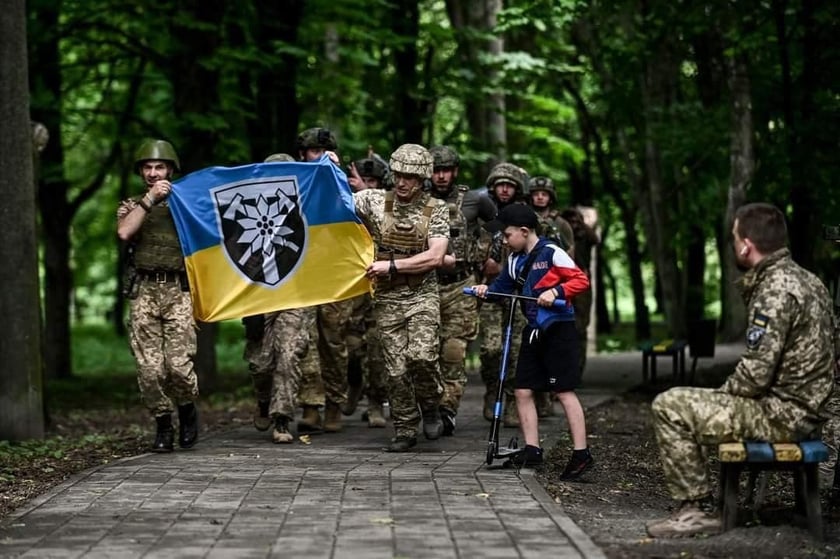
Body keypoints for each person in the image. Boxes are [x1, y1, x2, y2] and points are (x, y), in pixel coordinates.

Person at [646, 202, 836, 538]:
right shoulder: (810, 281)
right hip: (807, 411)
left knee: (671, 405)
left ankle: (696, 512)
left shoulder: (775, 289)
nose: (734, 244)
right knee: (691, 403)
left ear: (746, 245)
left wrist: (717, 400)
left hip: (781, 415)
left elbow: (755, 374)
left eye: (735, 237)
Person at [471, 204, 592, 474]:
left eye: (507, 234)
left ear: (525, 232)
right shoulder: (514, 260)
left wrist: (557, 291)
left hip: (558, 329)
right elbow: (500, 289)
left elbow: (581, 281)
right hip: (533, 330)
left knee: (563, 391)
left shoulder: (551, 253)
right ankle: (532, 450)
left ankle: (581, 454)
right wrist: (484, 291)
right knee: (523, 389)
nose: (502, 239)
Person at [354, 143, 449, 452]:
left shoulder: (437, 209)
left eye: (409, 176)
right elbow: (332, 200)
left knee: (421, 357)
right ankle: (406, 427)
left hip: (421, 293)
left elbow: (435, 257)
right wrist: (325, 167)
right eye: (398, 175)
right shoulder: (374, 201)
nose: (402, 182)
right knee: (395, 370)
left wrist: (392, 265)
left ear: (422, 179)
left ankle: (431, 402)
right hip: (388, 298)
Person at [117, 139, 199, 453]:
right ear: (141, 172)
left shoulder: (187, 204)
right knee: (149, 369)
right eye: (148, 167)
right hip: (144, 291)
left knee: (177, 366)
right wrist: (150, 199)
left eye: (159, 167)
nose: (153, 172)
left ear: (171, 170)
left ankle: (187, 409)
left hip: (178, 290)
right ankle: (163, 423)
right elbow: (125, 232)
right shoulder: (132, 206)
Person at [241, 153, 318, 443]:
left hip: (296, 294)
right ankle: (263, 400)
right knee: (261, 364)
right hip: (259, 295)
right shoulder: (246, 207)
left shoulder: (307, 208)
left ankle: (282, 419)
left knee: (289, 355)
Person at [428, 145, 496, 435]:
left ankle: (447, 408)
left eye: (446, 170)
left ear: (455, 171)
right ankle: (427, 403)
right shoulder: (419, 200)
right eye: (436, 170)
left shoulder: (474, 200)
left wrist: (491, 255)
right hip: (425, 284)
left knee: (454, 349)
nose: (441, 176)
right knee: (424, 352)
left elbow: (500, 226)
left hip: (461, 284)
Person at [293, 127, 353, 433]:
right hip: (302, 274)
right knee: (305, 341)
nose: (318, 157)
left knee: (334, 341)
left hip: (334, 275)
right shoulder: (292, 184)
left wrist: (336, 172)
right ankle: (310, 404)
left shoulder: (340, 183)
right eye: (314, 152)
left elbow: (354, 214)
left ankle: (334, 403)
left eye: (323, 151)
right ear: (303, 155)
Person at [477, 163, 530, 427]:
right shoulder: (485, 219)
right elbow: (471, 249)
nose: (505, 189)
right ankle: (491, 387)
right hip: (492, 291)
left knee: (517, 350)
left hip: (519, 295)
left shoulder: (528, 218)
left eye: (510, 185)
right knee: (490, 348)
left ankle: (509, 399)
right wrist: (483, 263)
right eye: (500, 185)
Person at [528, 175, 576, 417]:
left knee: (549, 342)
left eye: (544, 193)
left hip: (552, 288)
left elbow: (569, 256)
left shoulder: (561, 224)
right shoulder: (524, 220)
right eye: (535, 192)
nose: (539, 196)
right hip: (529, 287)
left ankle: (547, 394)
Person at [561, 207, 600, 374]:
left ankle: (577, 368)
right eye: (570, 221)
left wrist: (583, 224)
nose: (573, 224)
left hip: (581, 284)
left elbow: (595, 239)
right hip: (562, 282)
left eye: (576, 221)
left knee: (580, 327)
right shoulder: (560, 233)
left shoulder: (585, 235)